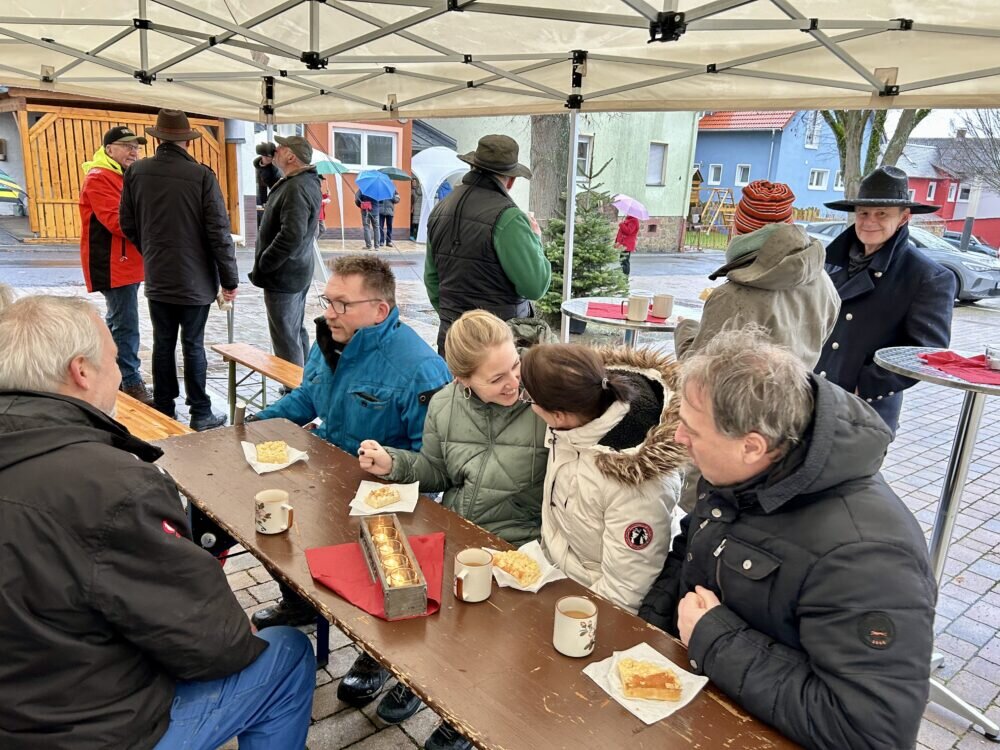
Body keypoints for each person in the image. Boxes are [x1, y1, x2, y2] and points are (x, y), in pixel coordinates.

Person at [0, 295, 315, 750]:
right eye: (114, 360)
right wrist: (233, 633)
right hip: (88, 730)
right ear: (81, 371)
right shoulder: (112, 485)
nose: (121, 376)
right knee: (288, 652)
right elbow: (209, 642)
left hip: (30, 697)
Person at [639, 327, 935, 750]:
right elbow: (691, 551)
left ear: (752, 446)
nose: (678, 439)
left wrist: (714, 638)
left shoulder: (867, 556)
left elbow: (870, 732)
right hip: (693, 706)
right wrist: (643, 632)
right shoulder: (738, 472)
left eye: (691, 429)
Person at [354, 311, 549, 746]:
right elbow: (438, 472)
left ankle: (464, 715)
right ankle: (420, 680)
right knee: (420, 599)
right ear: (463, 380)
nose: (513, 383)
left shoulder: (543, 400)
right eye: (496, 378)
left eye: (515, 366)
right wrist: (393, 463)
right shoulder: (444, 405)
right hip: (460, 530)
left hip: (521, 544)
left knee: (485, 635)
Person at [248, 254, 450, 631]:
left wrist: (387, 473)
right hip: (327, 476)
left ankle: (375, 642)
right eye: (327, 301)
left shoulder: (420, 368)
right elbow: (309, 396)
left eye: (342, 304)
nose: (329, 314)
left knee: (372, 568)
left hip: (386, 496)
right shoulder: (329, 341)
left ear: (379, 310)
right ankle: (299, 602)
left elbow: (433, 460)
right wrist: (257, 424)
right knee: (265, 520)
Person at [519, 343, 683, 613]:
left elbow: (625, 591)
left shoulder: (638, 486)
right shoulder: (581, 413)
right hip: (554, 576)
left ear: (559, 416)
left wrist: (570, 616)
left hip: (594, 606)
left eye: (530, 399)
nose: (529, 405)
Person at [120, 109, 238, 431]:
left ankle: (164, 406)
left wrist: (152, 251)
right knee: (193, 344)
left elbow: (127, 224)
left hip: (159, 275)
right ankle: (200, 412)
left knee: (163, 342)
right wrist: (229, 280)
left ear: (158, 139)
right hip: (195, 279)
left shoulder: (136, 172)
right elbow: (219, 232)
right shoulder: (201, 175)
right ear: (187, 141)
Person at [816, 165, 955, 435]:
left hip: (862, 412)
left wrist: (861, 387)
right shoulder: (829, 262)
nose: (870, 221)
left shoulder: (926, 276)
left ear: (904, 218)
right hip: (812, 397)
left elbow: (924, 352)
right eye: (863, 213)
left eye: (882, 213)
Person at [426, 134, 552, 355]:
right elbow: (536, 286)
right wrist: (535, 239)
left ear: (473, 167)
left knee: (452, 381)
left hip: (453, 339)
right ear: (510, 180)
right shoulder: (509, 217)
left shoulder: (440, 209)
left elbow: (432, 279)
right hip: (498, 343)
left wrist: (457, 321)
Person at [78, 125, 154, 405]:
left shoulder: (123, 175)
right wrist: (156, 225)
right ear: (109, 149)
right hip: (111, 263)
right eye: (127, 146)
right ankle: (130, 382)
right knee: (126, 324)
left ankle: (108, 374)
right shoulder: (100, 177)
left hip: (126, 262)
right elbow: (117, 221)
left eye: (136, 147)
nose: (133, 151)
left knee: (117, 320)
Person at [249, 134, 322, 368]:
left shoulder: (297, 187)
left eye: (281, 147)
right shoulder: (301, 181)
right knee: (294, 330)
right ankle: (305, 380)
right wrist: (266, 165)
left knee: (286, 338)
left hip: (284, 274)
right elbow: (279, 186)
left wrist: (265, 263)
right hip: (295, 270)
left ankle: (293, 385)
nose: (276, 149)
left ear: (291, 156)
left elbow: (291, 235)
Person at [253, 141, 281, 228]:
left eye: (271, 157)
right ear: (263, 156)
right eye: (268, 157)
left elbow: (277, 184)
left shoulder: (275, 168)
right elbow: (261, 186)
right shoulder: (258, 165)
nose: (270, 159)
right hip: (264, 193)